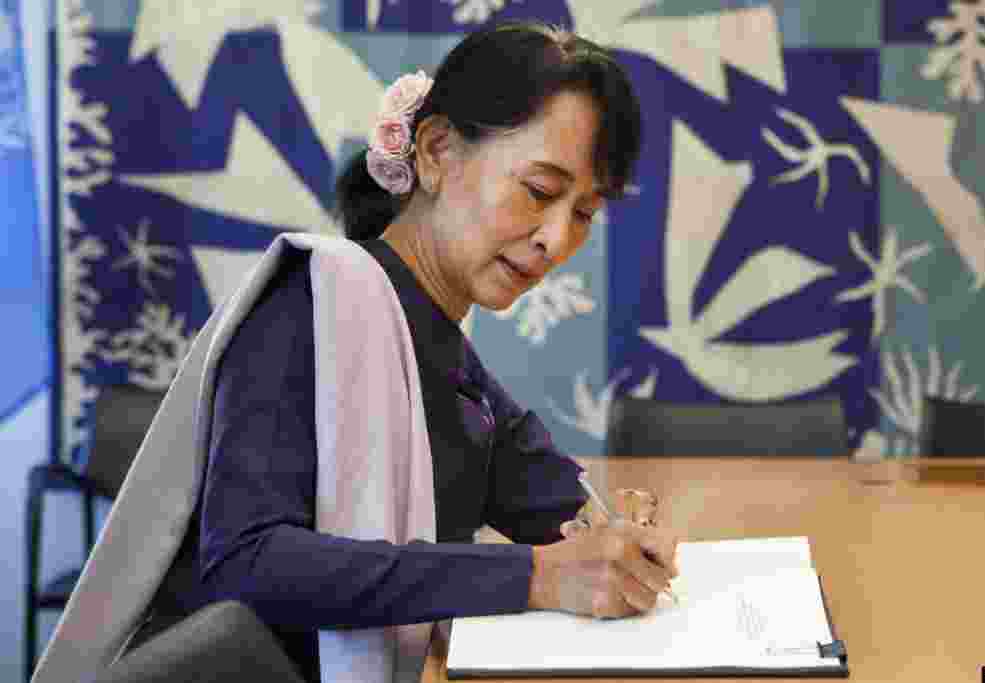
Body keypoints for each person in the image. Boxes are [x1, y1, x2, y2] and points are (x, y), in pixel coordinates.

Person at [119, 20, 681, 683]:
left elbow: (551, 497)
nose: (555, 240)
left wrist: (622, 536)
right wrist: (532, 575)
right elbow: (248, 560)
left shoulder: (438, 342)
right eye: (539, 191)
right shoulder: (308, 302)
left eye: (584, 213)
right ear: (438, 149)